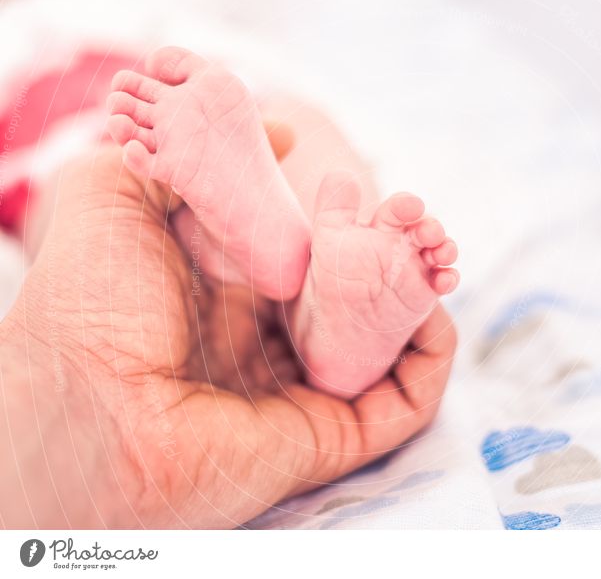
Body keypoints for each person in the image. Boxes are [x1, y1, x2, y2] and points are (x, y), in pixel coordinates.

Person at [0, 70, 457, 528]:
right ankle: (322, 295)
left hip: (143, 183)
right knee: (297, 127)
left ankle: (303, 275)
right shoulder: (88, 47)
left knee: (65, 193)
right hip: (181, 158)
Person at [106, 47, 460, 398]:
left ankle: (317, 287)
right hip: (212, 160)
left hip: (174, 248)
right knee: (300, 128)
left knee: (284, 144)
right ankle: (337, 290)